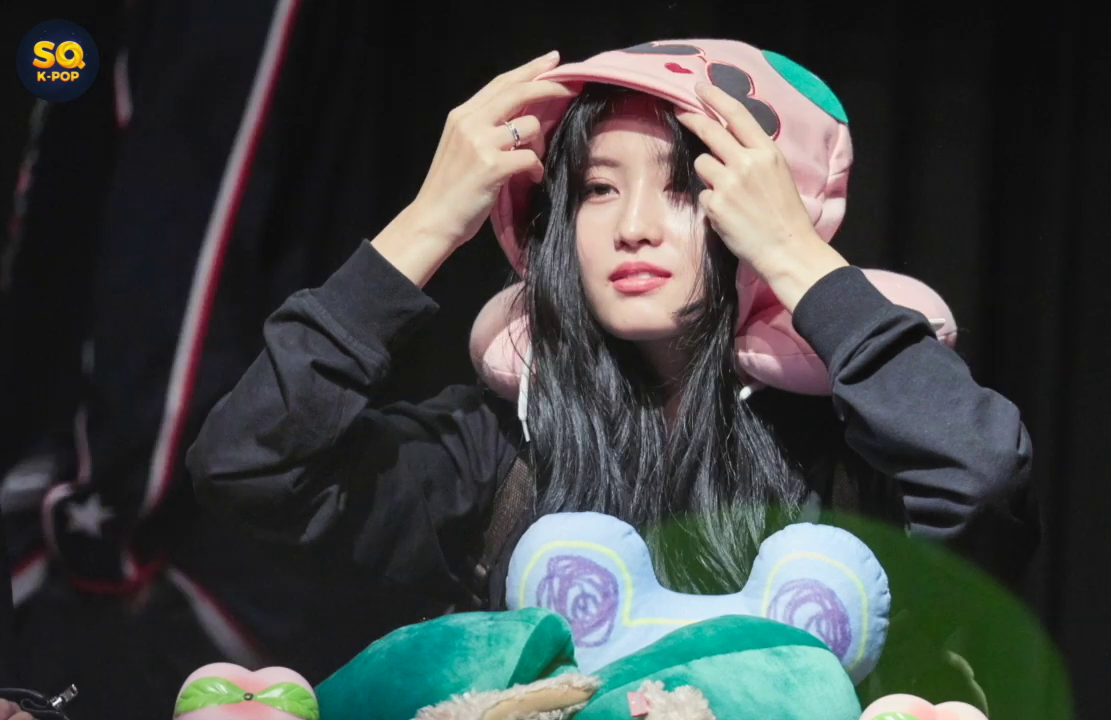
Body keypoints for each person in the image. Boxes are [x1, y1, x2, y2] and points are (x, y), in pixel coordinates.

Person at [187, 45, 1037, 618]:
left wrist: (793, 253)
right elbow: (249, 467)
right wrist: (429, 222)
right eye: (597, 189)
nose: (632, 227)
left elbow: (984, 476)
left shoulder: (852, 452)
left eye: (685, 187)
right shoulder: (505, 448)